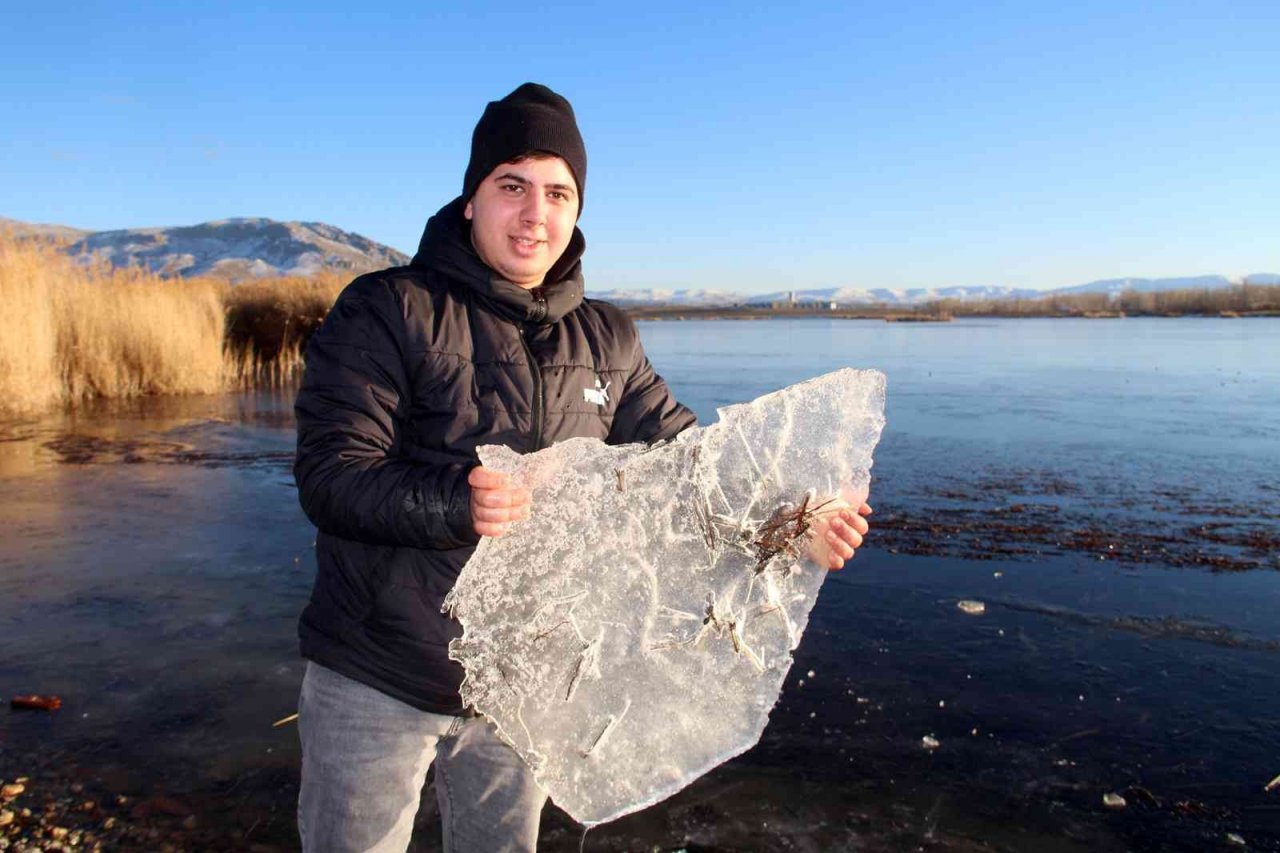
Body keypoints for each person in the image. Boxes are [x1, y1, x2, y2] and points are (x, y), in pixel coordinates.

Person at [292, 82, 871, 853]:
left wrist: (790, 525)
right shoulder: (386, 310)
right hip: (377, 671)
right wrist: (454, 503)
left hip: (521, 685)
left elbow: (692, 469)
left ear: (577, 209)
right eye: (513, 186)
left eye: (558, 192)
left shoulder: (608, 338)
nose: (536, 213)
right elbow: (331, 474)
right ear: (471, 200)